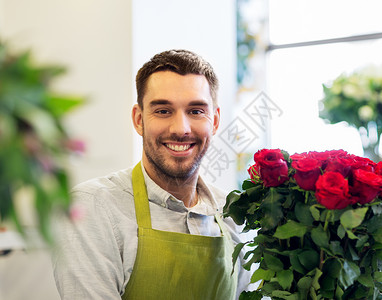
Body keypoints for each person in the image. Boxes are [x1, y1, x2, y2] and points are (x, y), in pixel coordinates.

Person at [52, 49, 249, 299]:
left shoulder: (232, 215)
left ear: (215, 120)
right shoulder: (92, 208)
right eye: (163, 111)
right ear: (138, 119)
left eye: (196, 111)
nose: (181, 129)